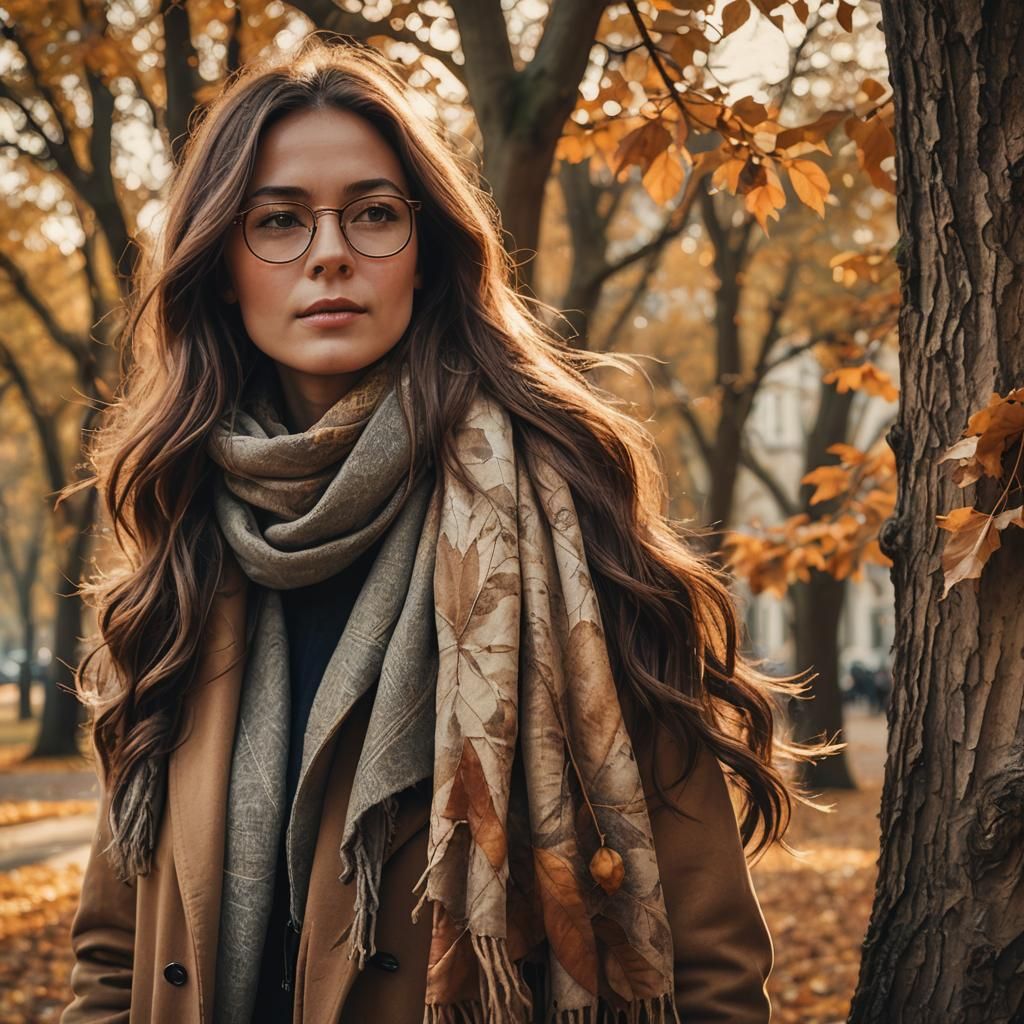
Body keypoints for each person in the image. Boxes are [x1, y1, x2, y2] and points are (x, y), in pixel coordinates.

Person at [60, 35, 827, 1024]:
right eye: (279, 220)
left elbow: (708, 964)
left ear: (426, 256)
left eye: (374, 213)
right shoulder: (182, 544)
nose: (330, 251)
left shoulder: (570, 523)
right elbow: (113, 957)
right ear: (219, 268)